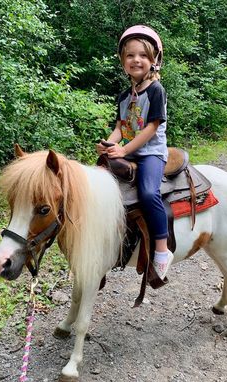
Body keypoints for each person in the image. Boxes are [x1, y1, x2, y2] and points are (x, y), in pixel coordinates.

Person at [96, 25, 173, 279]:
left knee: (149, 192)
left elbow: (151, 128)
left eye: (143, 55)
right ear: (123, 60)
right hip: (128, 150)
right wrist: (109, 146)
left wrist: (124, 149)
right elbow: (120, 127)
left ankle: (162, 249)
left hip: (150, 152)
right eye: (130, 55)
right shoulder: (124, 95)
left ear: (154, 61)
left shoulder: (155, 91)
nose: (136, 59)